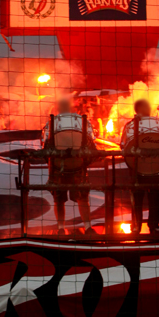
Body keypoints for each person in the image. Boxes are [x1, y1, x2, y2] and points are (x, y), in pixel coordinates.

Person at [42, 98, 97, 237]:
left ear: (58, 109)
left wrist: (52, 163)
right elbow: (92, 145)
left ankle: (61, 228)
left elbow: (45, 147)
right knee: (82, 198)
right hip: (79, 166)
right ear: (72, 107)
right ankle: (88, 227)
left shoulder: (51, 123)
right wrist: (85, 161)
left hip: (58, 167)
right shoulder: (82, 122)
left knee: (58, 199)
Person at [121, 99, 159, 235]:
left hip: (144, 167)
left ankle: (147, 226)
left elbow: (122, 146)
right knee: (141, 198)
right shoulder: (157, 124)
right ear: (139, 109)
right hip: (143, 167)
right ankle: (140, 227)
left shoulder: (131, 125)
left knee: (152, 197)